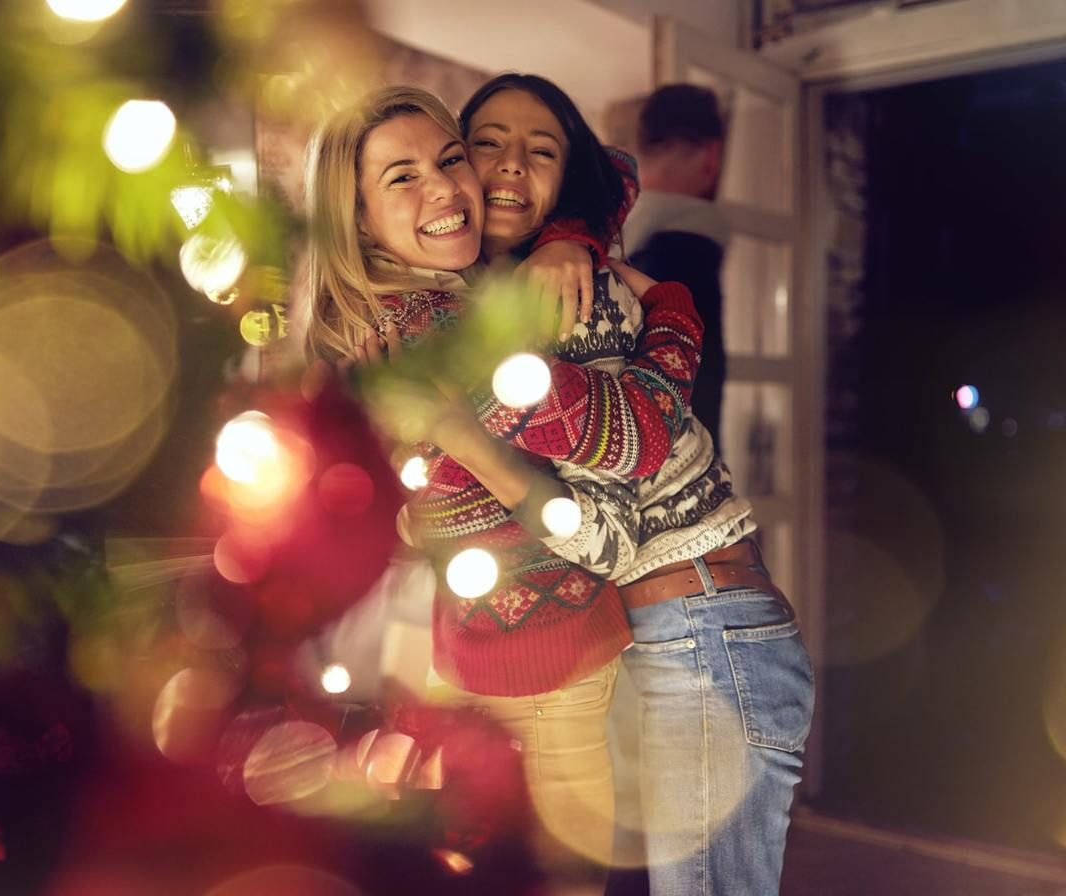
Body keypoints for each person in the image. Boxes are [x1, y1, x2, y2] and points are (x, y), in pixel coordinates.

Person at [302, 83, 702, 892]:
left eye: (451, 159)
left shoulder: (420, 302)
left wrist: (570, 240)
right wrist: (673, 313)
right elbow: (637, 440)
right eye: (401, 177)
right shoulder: (441, 329)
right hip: (548, 665)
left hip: (483, 654)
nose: (446, 187)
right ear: (357, 217)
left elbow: (611, 171)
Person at [459, 75, 813, 896]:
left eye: (539, 150)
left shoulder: (568, 301)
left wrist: (463, 433)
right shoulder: (523, 283)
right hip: (686, 629)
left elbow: (613, 528)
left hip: (704, 634)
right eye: (486, 143)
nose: (511, 164)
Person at [625, 83, 730, 447]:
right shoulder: (690, 246)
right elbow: (695, 390)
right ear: (712, 156)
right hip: (673, 472)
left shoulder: (608, 231)